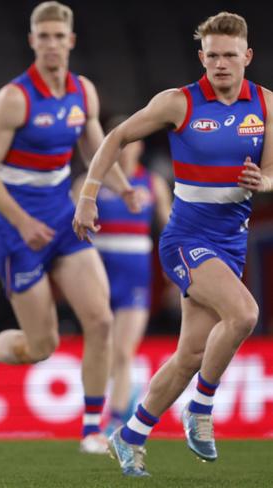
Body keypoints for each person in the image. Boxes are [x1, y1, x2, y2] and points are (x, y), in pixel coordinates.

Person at [73, 11, 271, 477]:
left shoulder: (264, 105)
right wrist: (88, 195)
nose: (221, 64)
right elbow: (117, 136)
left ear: (247, 55)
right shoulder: (179, 103)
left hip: (231, 244)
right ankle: (201, 409)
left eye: (230, 55)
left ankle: (131, 434)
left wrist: (264, 183)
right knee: (244, 314)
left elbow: (271, 173)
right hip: (185, 239)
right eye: (213, 55)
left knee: (188, 357)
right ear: (202, 57)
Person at [0, 1, 139, 454]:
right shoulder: (14, 98)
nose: (53, 44)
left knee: (100, 321)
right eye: (45, 36)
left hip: (61, 220)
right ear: (32, 41)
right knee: (42, 346)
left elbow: (96, 150)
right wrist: (22, 221)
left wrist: (123, 189)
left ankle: (92, 431)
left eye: (60, 36)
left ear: (71, 41)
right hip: (18, 230)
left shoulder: (84, 93)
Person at [72, 116, 172, 437]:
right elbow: (67, 227)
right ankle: (103, 408)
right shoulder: (88, 184)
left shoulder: (152, 183)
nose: (124, 149)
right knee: (102, 345)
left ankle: (116, 418)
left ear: (140, 146)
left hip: (135, 276)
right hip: (98, 271)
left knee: (124, 351)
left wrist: (175, 273)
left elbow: (169, 228)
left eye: (130, 142)